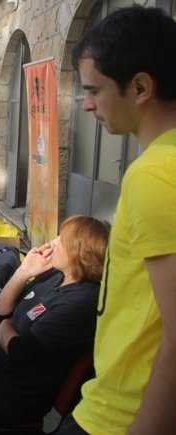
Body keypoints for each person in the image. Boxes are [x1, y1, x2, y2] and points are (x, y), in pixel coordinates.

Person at [62, 6, 176, 434]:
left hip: (121, 418)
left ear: (141, 87)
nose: (88, 105)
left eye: (94, 90)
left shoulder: (154, 174)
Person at [0, 216, 110, 428]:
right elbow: (1, 309)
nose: (53, 242)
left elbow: (19, 350)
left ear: (82, 254)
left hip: (12, 390)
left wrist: (5, 326)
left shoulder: (80, 302)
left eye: (62, 240)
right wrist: (24, 271)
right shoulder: (55, 275)